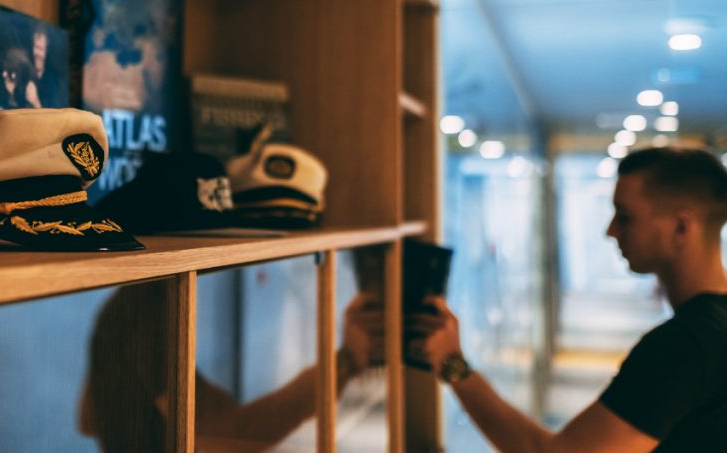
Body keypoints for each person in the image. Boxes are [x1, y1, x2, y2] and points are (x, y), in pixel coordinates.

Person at [409, 146, 727, 452]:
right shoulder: (712, 329)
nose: (610, 231)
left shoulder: (685, 346)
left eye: (625, 217)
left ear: (681, 227)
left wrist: (454, 366)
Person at [79, 279, 384, 453]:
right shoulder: (148, 315)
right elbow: (228, 437)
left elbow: (88, 419)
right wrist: (344, 363)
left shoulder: (122, 305)